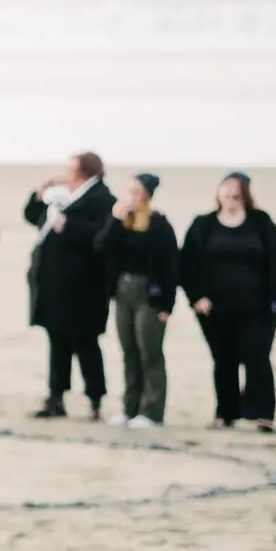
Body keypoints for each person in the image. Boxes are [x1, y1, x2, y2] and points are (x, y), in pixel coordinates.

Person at [178, 171, 276, 431]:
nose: (232, 194)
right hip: (215, 308)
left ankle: (263, 414)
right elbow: (187, 264)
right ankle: (226, 413)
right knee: (223, 360)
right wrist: (196, 297)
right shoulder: (203, 225)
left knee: (257, 357)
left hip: (257, 307)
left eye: (237, 189)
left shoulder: (261, 223)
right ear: (219, 192)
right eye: (227, 188)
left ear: (245, 194)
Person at [22, 151, 117, 419]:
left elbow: (103, 235)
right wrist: (40, 193)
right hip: (55, 287)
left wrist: (69, 226)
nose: (67, 174)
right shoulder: (63, 197)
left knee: (86, 344)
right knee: (58, 342)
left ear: (85, 173)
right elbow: (34, 216)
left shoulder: (102, 199)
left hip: (85, 289)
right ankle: (56, 398)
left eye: (72, 170)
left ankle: (95, 400)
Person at [96, 171, 178, 428]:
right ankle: (129, 408)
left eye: (135, 192)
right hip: (123, 292)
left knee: (149, 351)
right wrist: (114, 220)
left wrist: (167, 304)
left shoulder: (159, 225)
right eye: (127, 191)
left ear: (146, 195)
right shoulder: (122, 222)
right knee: (128, 350)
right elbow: (100, 247)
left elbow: (171, 267)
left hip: (149, 295)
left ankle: (151, 410)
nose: (129, 197)